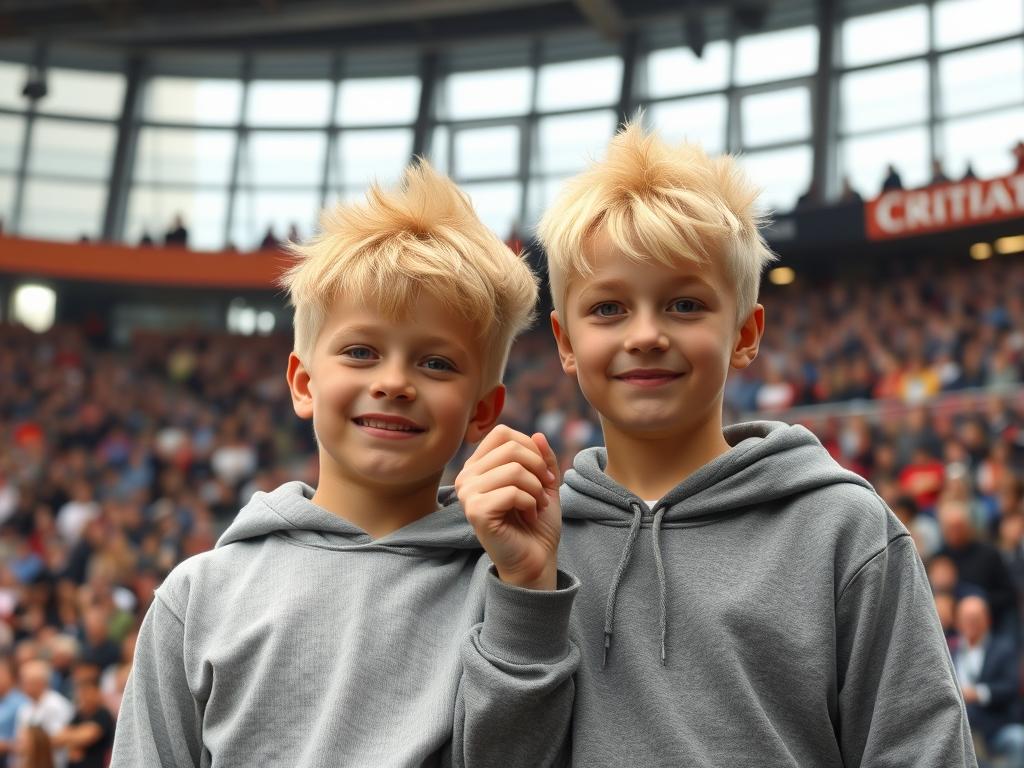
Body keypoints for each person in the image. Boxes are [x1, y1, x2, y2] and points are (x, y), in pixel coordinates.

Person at [457, 122, 974, 765]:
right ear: (565, 343)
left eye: (684, 305)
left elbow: (921, 751)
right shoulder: (523, 540)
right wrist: (526, 591)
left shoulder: (844, 529)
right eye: (609, 309)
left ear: (745, 332)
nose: (645, 334)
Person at [110, 160, 578, 767]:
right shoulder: (200, 597)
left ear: (481, 411)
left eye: (436, 364)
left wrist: (524, 592)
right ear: (303, 384)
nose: (394, 382)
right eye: (360, 351)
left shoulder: (512, 584)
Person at [952, 596, 1024, 767]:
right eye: (966, 619)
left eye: (976, 619)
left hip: (996, 726)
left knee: (1018, 739)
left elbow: (1011, 687)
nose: (971, 624)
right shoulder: (950, 651)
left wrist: (978, 693)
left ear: (987, 620)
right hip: (961, 729)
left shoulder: (1003, 649)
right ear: (957, 622)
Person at [51, 667, 114, 768]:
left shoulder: (103, 714)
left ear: (97, 693)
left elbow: (88, 736)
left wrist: (72, 741)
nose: (84, 697)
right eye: (81, 692)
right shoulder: (78, 715)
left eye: (88, 692)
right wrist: (75, 741)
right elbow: (57, 739)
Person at [13, 661, 73, 768]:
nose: (22, 685)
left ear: (40, 682)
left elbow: (62, 738)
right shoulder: (24, 708)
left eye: (26, 682)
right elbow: (19, 742)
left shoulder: (55, 704)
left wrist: (32, 743)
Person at [0, 657, 29, 768]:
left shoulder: (21, 702)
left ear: (11, 677)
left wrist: (6, 745)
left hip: (11, 757)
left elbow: (26, 738)